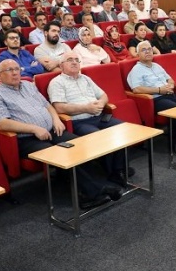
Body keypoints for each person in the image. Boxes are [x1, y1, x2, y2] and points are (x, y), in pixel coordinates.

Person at [0, 59, 123, 210]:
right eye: (9, 70)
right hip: (26, 138)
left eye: (17, 69)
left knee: (79, 146)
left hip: (51, 130)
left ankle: (89, 187)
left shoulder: (28, 86)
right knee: (60, 154)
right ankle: (90, 194)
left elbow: (47, 105)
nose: (15, 72)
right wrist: (34, 129)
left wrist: (56, 119)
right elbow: (1, 123)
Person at [48, 52, 133, 186]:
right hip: (79, 121)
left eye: (77, 59)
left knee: (122, 129)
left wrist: (101, 103)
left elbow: (103, 95)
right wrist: (86, 108)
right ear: (61, 65)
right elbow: (59, 107)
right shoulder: (57, 83)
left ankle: (118, 169)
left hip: (99, 116)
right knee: (101, 137)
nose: (74, 62)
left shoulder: (85, 79)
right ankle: (114, 172)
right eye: (70, 60)